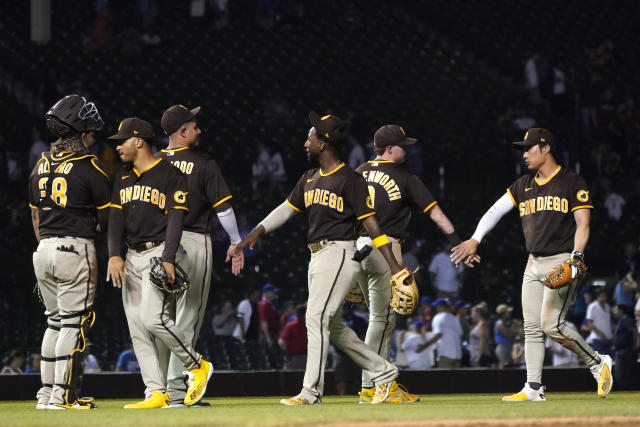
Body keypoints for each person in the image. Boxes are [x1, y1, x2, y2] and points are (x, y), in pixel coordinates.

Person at [233, 112, 418, 405]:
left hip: (340, 251)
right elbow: (286, 208)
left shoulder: (350, 179)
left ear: (324, 142)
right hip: (316, 256)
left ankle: (311, 392)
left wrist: (395, 266)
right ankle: (384, 372)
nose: (306, 142)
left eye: (311, 136)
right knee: (331, 325)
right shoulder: (309, 177)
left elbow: (372, 226)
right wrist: (256, 233)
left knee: (315, 318)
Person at [451, 128, 613, 400]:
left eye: (528, 148)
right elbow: (495, 211)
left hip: (562, 259)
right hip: (533, 262)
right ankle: (534, 388)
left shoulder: (572, 181)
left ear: (546, 148)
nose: (524, 154)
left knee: (552, 326)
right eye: (522, 149)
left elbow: (583, 223)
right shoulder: (522, 184)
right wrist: (475, 239)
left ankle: (598, 363)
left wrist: (577, 257)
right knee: (531, 328)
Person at [353, 124, 467, 403]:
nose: (407, 149)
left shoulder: (357, 172)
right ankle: (374, 385)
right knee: (383, 320)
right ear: (389, 149)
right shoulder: (405, 177)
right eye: (402, 145)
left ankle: (375, 383)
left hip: (356, 247)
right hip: (386, 248)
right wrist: (457, 241)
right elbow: (437, 214)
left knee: (376, 320)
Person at [106, 117, 213, 409]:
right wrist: (114, 254)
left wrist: (168, 258)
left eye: (122, 141)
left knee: (154, 318)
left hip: (158, 252)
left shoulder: (171, 174)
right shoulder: (123, 176)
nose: (117, 147)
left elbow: (176, 219)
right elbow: (115, 219)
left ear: (139, 140)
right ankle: (156, 392)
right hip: (130, 256)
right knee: (137, 328)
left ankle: (197, 365)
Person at [157, 104, 244, 407]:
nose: (199, 130)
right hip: (192, 240)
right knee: (187, 316)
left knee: (160, 318)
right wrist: (236, 242)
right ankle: (179, 391)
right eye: (194, 126)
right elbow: (225, 208)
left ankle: (159, 390)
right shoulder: (203, 163)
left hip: (156, 246)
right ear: (182, 132)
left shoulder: (151, 162)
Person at [29, 95, 109, 410]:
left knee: (53, 323)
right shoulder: (90, 166)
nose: (93, 137)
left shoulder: (40, 164)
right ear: (81, 133)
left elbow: (35, 216)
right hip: (75, 248)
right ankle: (63, 394)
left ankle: (46, 394)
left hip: (43, 248)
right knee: (73, 325)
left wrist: (46, 245)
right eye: (90, 132)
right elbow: (106, 220)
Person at [425, 298, 463, 368]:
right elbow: (460, 335)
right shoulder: (455, 318)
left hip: (445, 354)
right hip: (458, 355)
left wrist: (425, 345)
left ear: (441, 307)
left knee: (444, 378)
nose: (436, 308)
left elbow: (438, 335)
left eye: (437, 306)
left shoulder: (438, 317)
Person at [611, 303, 638, 390]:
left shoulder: (626, 319)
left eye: (616, 310)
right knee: (620, 375)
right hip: (621, 352)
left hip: (624, 352)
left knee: (621, 375)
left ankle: (628, 391)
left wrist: (634, 345)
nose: (615, 312)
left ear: (621, 310)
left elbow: (634, 331)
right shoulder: (622, 320)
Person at [279, 305, 308, 370]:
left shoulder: (290, 326)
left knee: (291, 377)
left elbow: (281, 342)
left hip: (293, 358)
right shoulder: (309, 327)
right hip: (306, 358)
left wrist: (285, 351)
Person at [585, 289, 613, 356]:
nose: (604, 298)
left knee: (610, 361)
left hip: (609, 338)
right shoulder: (592, 307)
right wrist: (601, 335)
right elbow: (589, 324)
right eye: (602, 296)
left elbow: (609, 322)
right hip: (597, 338)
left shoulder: (608, 307)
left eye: (605, 296)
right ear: (597, 297)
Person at [494, 304, 517, 369]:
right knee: (503, 365)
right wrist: (515, 332)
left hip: (507, 346)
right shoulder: (499, 323)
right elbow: (508, 335)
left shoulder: (504, 323)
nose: (509, 313)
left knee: (509, 366)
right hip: (503, 347)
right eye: (507, 312)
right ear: (503, 313)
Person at [258, 283, 280, 347]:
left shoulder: (271, 304)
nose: (274, 294)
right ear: (266, 293)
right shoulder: (263, 305)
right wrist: (268, 337)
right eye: (272, 292)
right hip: (266, 335)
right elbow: (263, 321)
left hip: (272, 333)